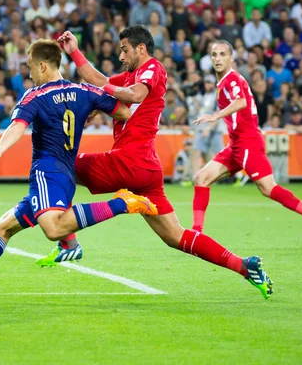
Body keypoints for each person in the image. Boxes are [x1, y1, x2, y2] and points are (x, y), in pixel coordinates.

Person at [55, 27, 273, 299]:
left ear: (141, 49)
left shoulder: (153, 69)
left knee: (59, 163)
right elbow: (96, 77)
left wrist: (103, 92)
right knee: (175, 236)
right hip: (146, 168)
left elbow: (133, 95)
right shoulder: (131, 75)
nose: (121, 56)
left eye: (125, 49)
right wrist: (74, 51)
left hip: (129, 161)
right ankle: (244, 265)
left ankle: (69, 241)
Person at [0, 39, 149, 291]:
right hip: (65, 175)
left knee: (53, 228)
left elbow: (17, 126)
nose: (29, 74)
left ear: (43, 66)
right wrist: (92, 111)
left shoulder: (36, 96)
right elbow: (124, 112)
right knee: (4, 227)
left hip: (47, 172)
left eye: (30, 67)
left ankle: (121, 203)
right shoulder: (84, 92)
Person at [192, 40, 302, 249]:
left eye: (222, 54)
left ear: (231, 58)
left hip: (248, 143)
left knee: (268, 188)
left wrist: (215, 116)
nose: (218, 59)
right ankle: (197, 233)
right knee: (201, 178)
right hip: (236, 144)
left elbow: (241, 102)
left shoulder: (232, 79)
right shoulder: (223, 82)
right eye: (214, 55)